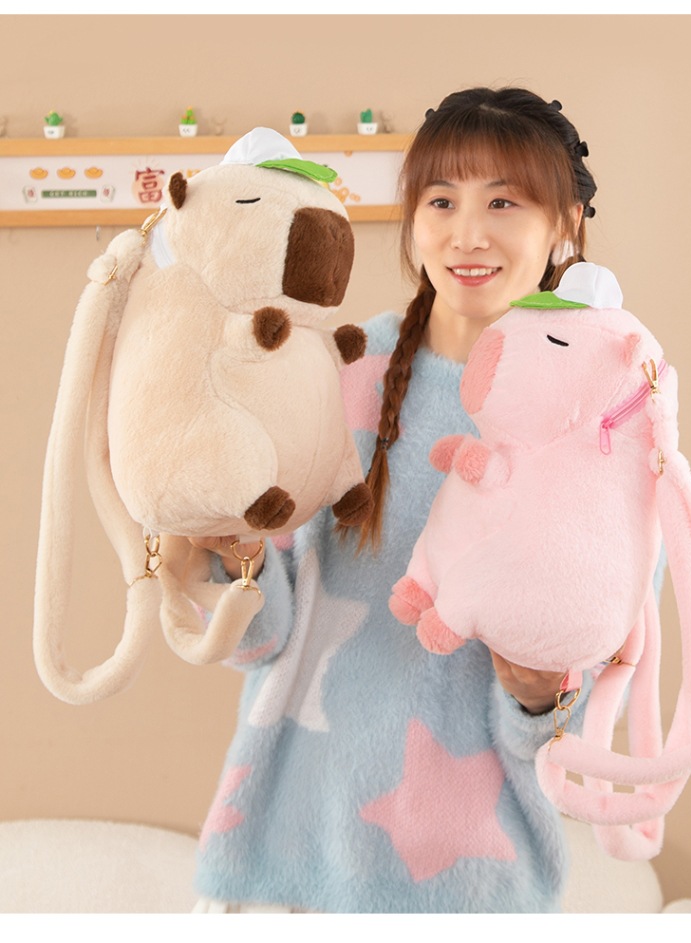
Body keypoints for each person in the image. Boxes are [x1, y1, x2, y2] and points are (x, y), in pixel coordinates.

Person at [190, 86, 599, 913]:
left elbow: (569, 725)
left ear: (565, 225)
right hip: (279, 868)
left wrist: (539, 691)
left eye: (504, 202)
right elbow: (259, 637)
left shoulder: (602, 414)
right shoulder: (335, 370)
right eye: (441, 200)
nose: (467, 233)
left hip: (473, 889)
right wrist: (224, 544)